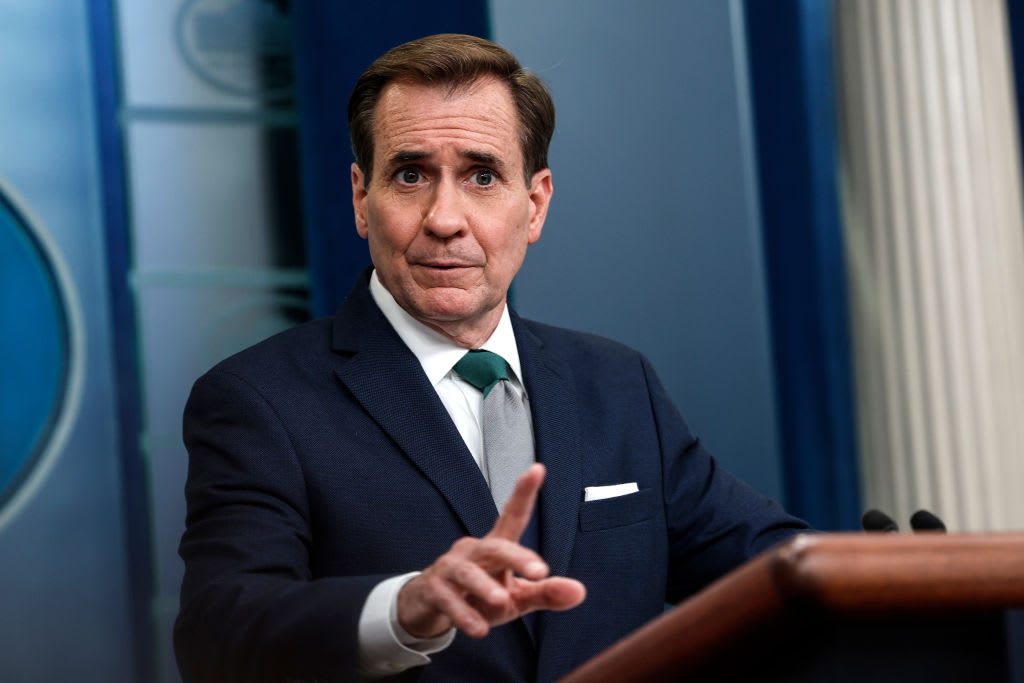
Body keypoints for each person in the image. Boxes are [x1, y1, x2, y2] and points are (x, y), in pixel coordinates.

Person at [174, 33, 808, 683]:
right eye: (411, 174)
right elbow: (220, 634)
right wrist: (405, 608)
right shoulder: (258, 399)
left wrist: (907, 565)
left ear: (535, 204)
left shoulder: (619, 385)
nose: (444, 218)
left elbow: (776, 566)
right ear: (363, 199)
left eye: (482, 175)